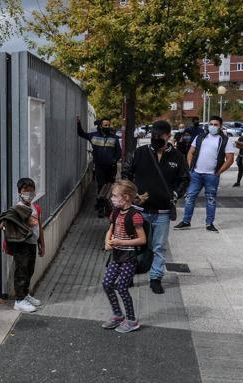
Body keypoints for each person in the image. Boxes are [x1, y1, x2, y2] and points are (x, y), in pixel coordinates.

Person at [122, 121, 189, 294]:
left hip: (163, 212)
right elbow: (126, 173)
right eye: (153, 136)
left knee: (159, 246)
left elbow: (184, 179)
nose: (155, 139)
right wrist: (131, 194)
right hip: (139, 210)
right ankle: (128, 275)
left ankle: (156, 278)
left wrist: (175, 194)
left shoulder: (177, 157)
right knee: (133, 245)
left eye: (159, 136)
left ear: (168, 136)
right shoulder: (140, 153)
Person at [174, 116, 235, 233]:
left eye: (215, 124)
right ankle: (186, 221)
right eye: (211, 124)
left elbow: (230, 159)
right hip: (196, 174)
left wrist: (218, 172)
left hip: (212, 176)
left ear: (220, 126)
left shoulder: (225, 140)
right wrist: (191, 168)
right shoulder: (200, 137)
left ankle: (209, 224)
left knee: (210, 199)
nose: (212, 126)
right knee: (189, 198)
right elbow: (190, 152)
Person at [102, 180, 147, 333]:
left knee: (122, 288)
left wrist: (121, 241)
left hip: (129, 257)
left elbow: (142, 239)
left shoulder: (135, 216)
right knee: (107, 284)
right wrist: (107, 241)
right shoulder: (115, 212)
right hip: (116, 255)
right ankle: (117, 315)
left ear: (126, 197)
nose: (112, 199)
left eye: (115, 196)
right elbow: (111, 229)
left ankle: (132, 320)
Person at [0, 178, 45, 313]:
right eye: (26, 191)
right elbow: (3, 222)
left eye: (31, 191)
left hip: (32, 244)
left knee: (29, 270)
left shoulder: (35, 208)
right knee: (21, 271)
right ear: (19, 192)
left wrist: (42, 244)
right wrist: (6, 226)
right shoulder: (16, 209)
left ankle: (25, 294)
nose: (29, 194)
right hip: (21, 245)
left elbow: (39, 227)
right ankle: (19, 300)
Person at [76, 116, 122, 217]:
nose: (107, 126)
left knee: (109, 187)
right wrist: (78, 124)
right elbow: (81, 133)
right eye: (105, 125)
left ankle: (108, 207)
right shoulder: (93, 136)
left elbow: (119, 152)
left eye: (109, 125)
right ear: (100, 126)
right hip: (99, 167)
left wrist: (114, 160)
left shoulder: (114, 138)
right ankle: (101, 208)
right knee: (101, 186)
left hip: (111, 167)